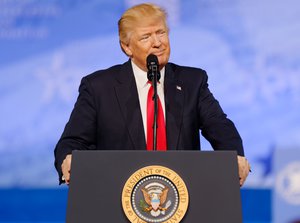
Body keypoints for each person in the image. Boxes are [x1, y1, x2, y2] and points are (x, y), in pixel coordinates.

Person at [54, 3, 250, 186]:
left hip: (182, 196)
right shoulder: (99, 87)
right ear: (127, 47)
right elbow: (72, 142)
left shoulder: (192, 81)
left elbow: (220, 127)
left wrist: (234, 157)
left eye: (161, 33)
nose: (157, 43)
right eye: (146, 37)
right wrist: (69, 160)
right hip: (116, 196)